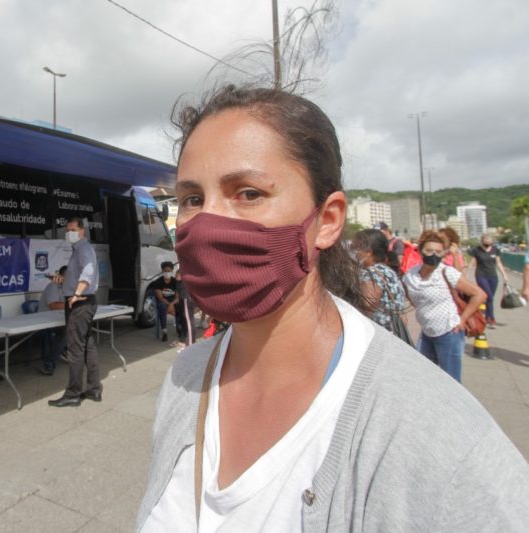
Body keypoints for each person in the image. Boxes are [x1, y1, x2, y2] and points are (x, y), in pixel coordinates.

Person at [136, 86, 529, 532]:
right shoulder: (185, 378)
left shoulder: (439, 437)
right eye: (192, 199)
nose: (208, 222)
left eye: (247, 193)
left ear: (327, 221)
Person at [402, 231, 486, 382]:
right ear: (420, 250)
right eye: (429, 250)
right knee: (426, 375)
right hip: (427, 331)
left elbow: (479, 295)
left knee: (451, 379)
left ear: (443, 254)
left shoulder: (447, 272)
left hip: (449, 331)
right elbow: (411, 297)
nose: (433, 254)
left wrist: (462, 319)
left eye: (438, 251)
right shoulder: (411, 275)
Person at [48, 218, 101, 407]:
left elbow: (88, 271)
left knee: (75, 348)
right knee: (88, 345)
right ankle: (94, 389)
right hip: (84, 301)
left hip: (80, 303)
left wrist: (76, 294)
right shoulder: (78, 250)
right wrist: (63, 280)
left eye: (72, 229)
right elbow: (79, 275)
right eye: (67, 230)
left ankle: (73, 393)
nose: (68, 233)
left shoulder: (84, 249)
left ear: (81, 232)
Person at [351, 229, 406, 332]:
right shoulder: (387, 271)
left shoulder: (370, 274)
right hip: (395, 332)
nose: (353, 252)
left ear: (368, 252)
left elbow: (367, 307)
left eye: (355, 248)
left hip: (380, 335)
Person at [467, 234, 508, 326]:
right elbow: (472, 263)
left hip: (493, 276)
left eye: (490, 241)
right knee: (490, 297)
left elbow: (498, 263)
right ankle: (491, 318)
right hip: (481, 275)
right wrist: (467, 274)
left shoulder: (495, 250)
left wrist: (504, 275)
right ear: (482, 241)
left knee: (489, 298)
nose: (488, 243)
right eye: (486, 241)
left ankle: (484, 315)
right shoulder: (476, 250)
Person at [38, 266, 67, 376]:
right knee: (66, 331)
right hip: (44, 320)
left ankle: (65, 350)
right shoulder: (53, 286)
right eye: (66, 277)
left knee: (79, 326)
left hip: (58, 319)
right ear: (60, 277)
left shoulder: (68, 288)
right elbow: (54, 305)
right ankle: (48, 363)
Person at [149, 261, 179, 343]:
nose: (167, 273)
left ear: (172, 271)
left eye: (169, 271)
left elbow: (177, 297)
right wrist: (169, 304)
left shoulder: (175, 282)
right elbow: (160, 297)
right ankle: (164, 331)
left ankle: (180, 328)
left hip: (173, 302)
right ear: (162, 271)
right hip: (163, 302)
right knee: (162, 306)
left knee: (180, 306)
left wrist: (172, 304)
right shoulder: (158, 282)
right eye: (165, 271)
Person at [174, 268, 196, 348]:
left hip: (187, 300)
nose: (176, 277)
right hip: (184, 300)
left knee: (189, 322)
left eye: (177, 275)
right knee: (186, 321)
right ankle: (187, 341)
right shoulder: (180, 282)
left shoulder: (184, 279)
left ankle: (191, 343)